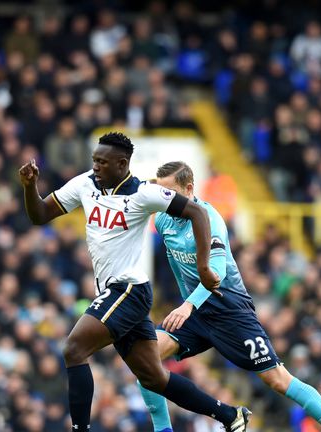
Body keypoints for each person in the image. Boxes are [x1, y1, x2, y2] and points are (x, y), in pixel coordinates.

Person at [18, 132, 250, 432]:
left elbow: (197, 213)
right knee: (154, 377)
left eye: (102, 162)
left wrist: (204, 266)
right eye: (95, 161)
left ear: (122, 163)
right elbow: (39, 215)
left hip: (129, 289)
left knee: (74, 349)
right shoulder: (85, 184)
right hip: (116, 293)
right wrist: (29, 187)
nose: (96, 167)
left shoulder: (143, 193)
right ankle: (231, 415)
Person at [137, 161, 321, 432]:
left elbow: (217, 271)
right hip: (197, 311)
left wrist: (187, 305)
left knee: (278, 380)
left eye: (169, 191)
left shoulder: (209, 219)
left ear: (189, 189)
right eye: (160, 191)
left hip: (228, 309)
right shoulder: (163, 218)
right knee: (145, 359)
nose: (163, 197)